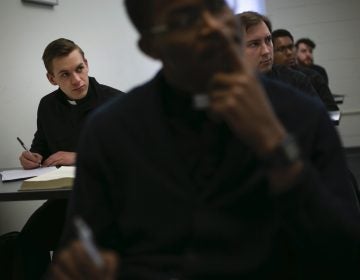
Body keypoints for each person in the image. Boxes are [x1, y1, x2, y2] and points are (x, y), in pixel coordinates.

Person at [50, 1, 360, 279]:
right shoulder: (112, 132)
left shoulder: (299, 114)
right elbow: (82, 252)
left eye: (216, 7)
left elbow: (345, 253)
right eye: (185, 19)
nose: (213, 26)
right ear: (151, 46)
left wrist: (277, 147)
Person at [15, 38, 123, 279]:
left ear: (86, 64)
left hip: (110, 204)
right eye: (64, 74)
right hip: (65, 201)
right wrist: (32, 157)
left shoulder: (116, 101)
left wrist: (78, 156)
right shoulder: (47, 106)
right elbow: (41, 145)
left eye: (79, 69)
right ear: (52, 79)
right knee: (29, 242)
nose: (76, 79)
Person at [237, 11, 318, 98]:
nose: (266, 51)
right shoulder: (224, 91)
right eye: (254, 44)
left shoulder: (295, 82)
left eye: (268, 40)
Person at [272, 28, 338, 112]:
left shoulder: (313, 77)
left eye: (290, 47)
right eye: (281, 49)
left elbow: (332, 109)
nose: (289, 52)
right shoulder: (268, 80)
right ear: (271, 53)